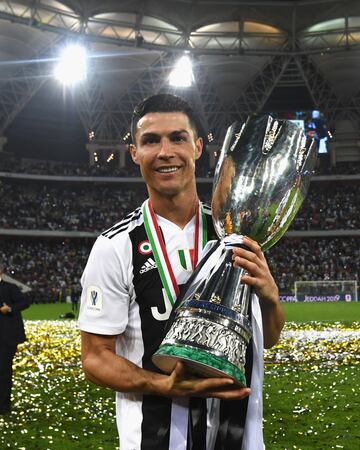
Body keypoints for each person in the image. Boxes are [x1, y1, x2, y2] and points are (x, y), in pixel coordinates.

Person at [79, 93, 285, 449]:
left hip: (239, 438)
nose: (165, 152)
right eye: (150, 141)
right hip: (154, 439)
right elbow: (95, 357)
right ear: (134, 153)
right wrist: (162, 385)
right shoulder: (115, 246)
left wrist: (270, 299)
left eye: (178, 137)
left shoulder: (236, 234)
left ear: (199, 147)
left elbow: (268, 336)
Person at [0, 260, 30, 415]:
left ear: (1, 270)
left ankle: (4, 405)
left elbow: (26, 301)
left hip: (6, 337)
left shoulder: (10, 288)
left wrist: (10, 308)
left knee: (4, 370)